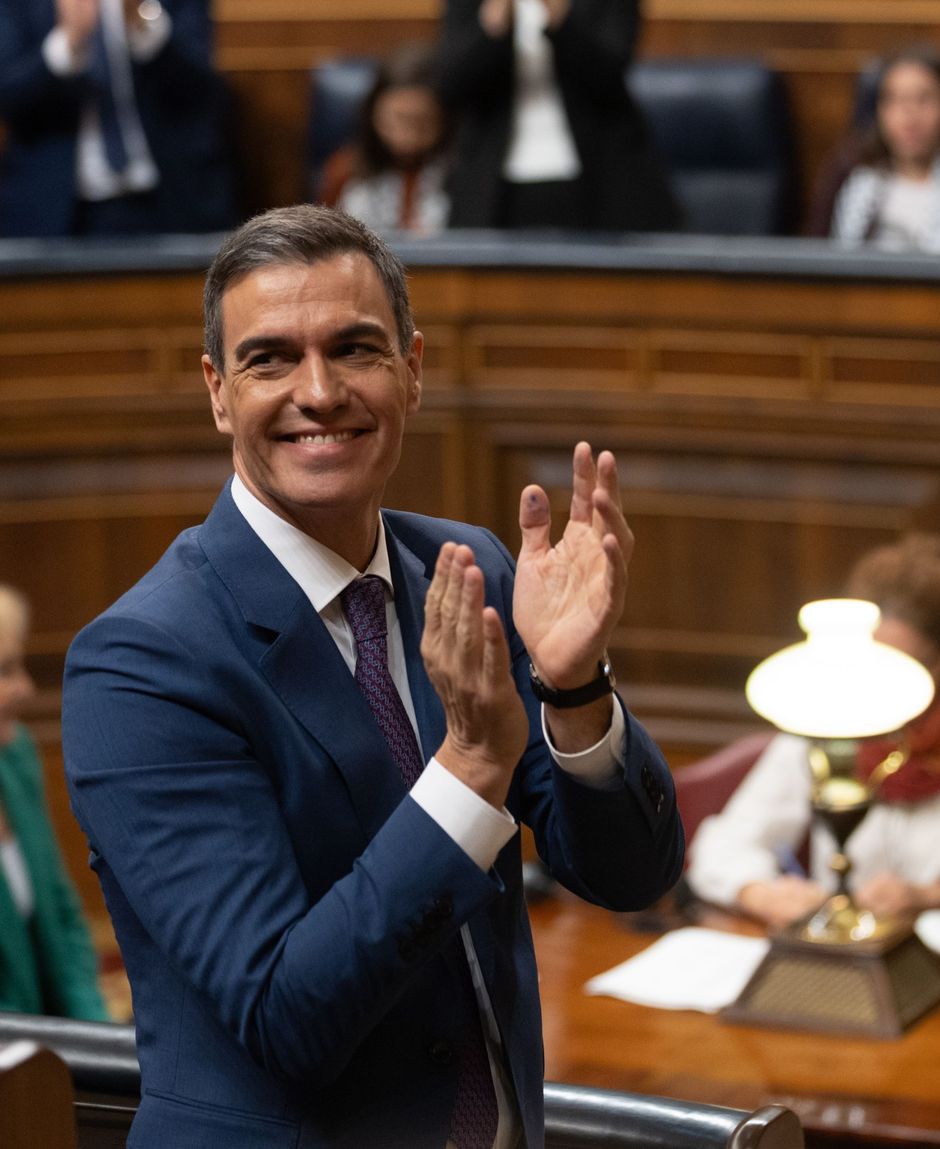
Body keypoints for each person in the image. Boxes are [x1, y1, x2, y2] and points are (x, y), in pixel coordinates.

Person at [61, 205, 683, 1148]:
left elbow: (633, 875)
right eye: (271, 359)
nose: (320, 392)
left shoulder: (468, 573)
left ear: (412, 369)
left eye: (355, 349)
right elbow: (287, 1016)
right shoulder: (142, 662)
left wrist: (575, 688)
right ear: (219, 391)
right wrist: (470, 768)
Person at [688, 535, 940, 933]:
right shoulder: (826, 722)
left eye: (902, 667)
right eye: (870, 662)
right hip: (845, 953)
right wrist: (761, 893)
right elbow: (723, 848)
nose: (879, 685)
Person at [437, 0, 678, 232]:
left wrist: (560, 17)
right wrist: (493, 24)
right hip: (491, 186)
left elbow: (611, 78)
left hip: (600, 177)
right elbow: (450, 85)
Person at [0, 0, 235, 238]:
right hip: (54, 210)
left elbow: (205, 93)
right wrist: (67, 44)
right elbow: (8, 95)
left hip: (170, 201)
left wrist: (143, 25)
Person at [0, 585, 109, 1022]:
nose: (25, 688)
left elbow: (64, 922)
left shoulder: (15, 757)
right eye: (4, 671)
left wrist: (94, 1035)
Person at [806, 46, 940, 253]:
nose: (909, 117)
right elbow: (812, 259)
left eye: (924, 99)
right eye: (896, 100)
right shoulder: (847, 173)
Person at [318, 43, 452, 236]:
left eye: (422, 123)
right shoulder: (345, 170)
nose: (408, 137)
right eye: (398, 119)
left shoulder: (463, 175)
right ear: (374, 114)